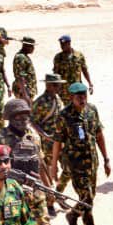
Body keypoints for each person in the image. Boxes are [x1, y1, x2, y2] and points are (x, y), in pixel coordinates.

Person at [48, 82, 111, 225]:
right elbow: (57, 141)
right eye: (78, 97)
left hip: (92, 161)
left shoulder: (92, 110)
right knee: (87, 197)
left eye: (84, 96)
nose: (82, 99)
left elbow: (99, 134)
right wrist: (54, 165)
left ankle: (73, 214)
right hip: (75, 164)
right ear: (71, 97)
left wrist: (106, 158)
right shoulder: (64, 116)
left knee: (88, 197)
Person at [32, 72, 69, 217]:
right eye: (55, 85)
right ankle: (50, 202)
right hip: (48, 144)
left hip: (61, 141)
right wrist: (44, 135)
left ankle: (58, 195)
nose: (58, 88)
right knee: (47, 173)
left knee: (65, 169)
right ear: (48, 85)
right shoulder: (40, 102)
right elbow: (33, 121)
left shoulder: (58, 99)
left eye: (59, 85)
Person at [52, 34, 93, 105]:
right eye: (61, 44)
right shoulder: (58, 57)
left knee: (80, 106)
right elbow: (56, 74)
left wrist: (90, 83)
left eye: (64, 44)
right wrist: (55, 88)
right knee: (68, 108)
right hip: (65, 90)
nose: (62, 46)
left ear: (69, 43)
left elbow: (84, 70)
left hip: (78, 88)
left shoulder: (79, 55)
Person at [13, 37, 38, 102]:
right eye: (32, 46)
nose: (33, 48)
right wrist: (25, 95)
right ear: (25, 46)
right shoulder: (21, 57)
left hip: (27, 91)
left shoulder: (24, 56)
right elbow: (20, 77)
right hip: (24, 92)